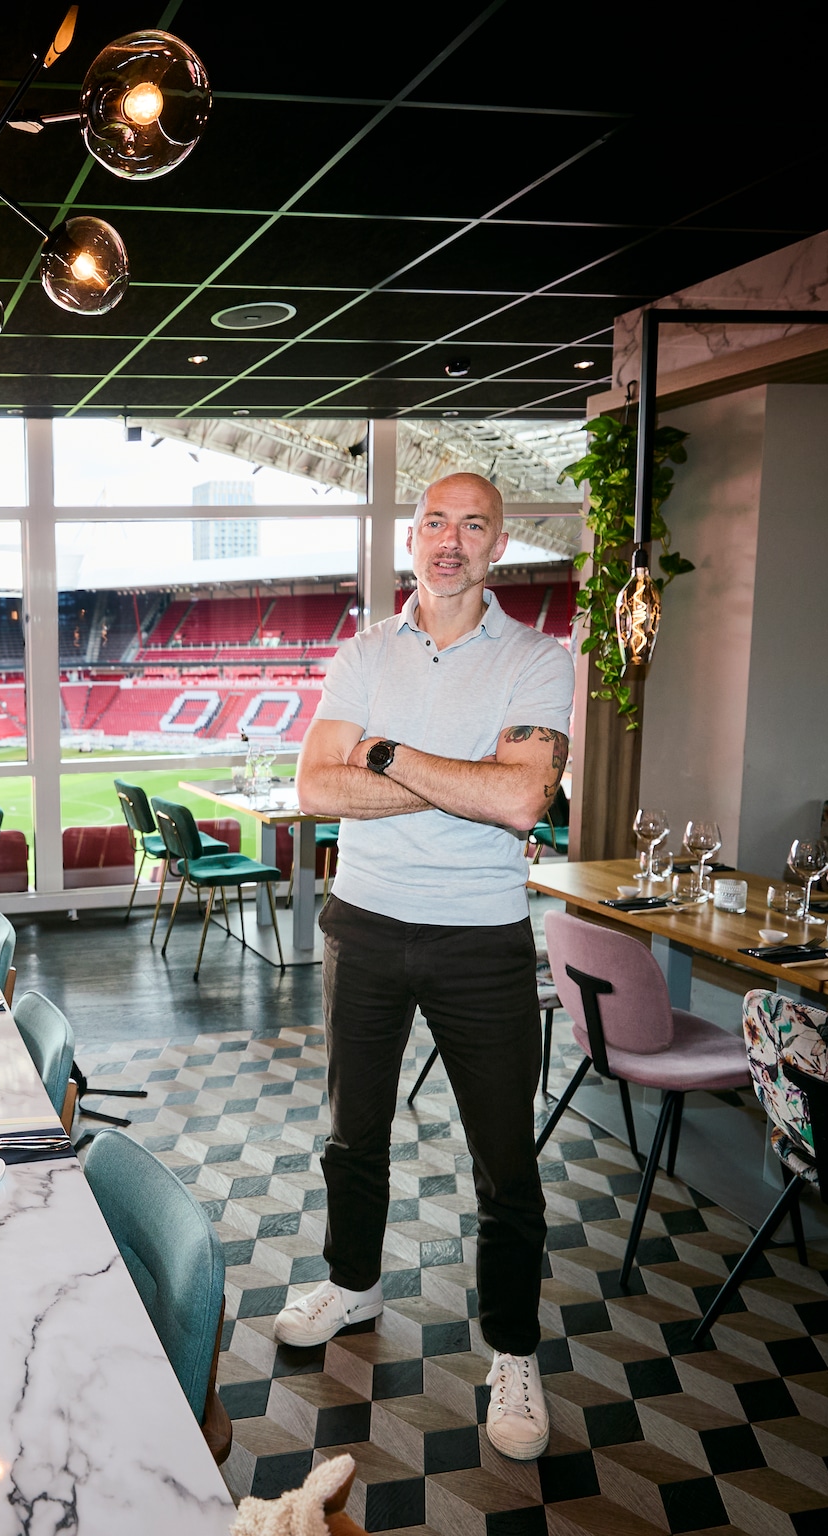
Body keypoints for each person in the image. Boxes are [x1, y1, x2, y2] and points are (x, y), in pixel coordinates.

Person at [280, 471, 572, 1462]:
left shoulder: (536, 659)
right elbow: (315, 787)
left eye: (473, 525)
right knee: (351, 1134)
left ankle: (513, 1349)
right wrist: (466, 780)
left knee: (506, 1165)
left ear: (499, 544)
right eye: (435, 522)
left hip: (479, 937)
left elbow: (522, 802)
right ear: (411, 538)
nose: (451, 540)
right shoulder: (364, 651)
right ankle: (353, 1283)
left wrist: (385, 754)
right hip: (364, 923)